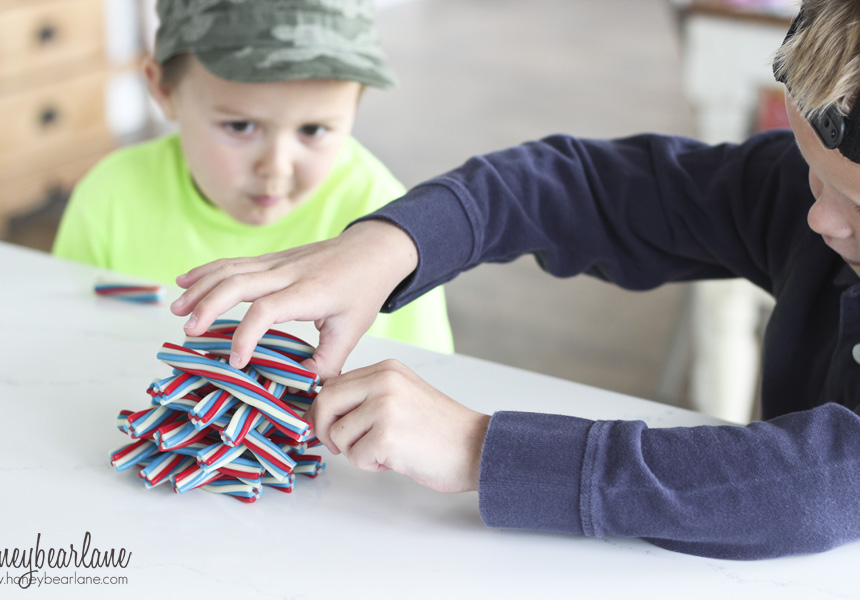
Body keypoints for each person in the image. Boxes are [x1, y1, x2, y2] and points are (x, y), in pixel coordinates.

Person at [170, 0, 860, 560]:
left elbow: (817, 487)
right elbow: (585, 188)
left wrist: (481, 448)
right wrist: (394, 242)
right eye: (812, 172)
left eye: (857, 204)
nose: (821, 219)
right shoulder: (811, 204)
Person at [52, 0, 453, 355]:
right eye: (240, 126)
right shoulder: (110, 197)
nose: (276, 166)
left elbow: (423, 375)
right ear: (164, 89)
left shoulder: (384, 219)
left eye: (313, 130)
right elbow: (63, 335)